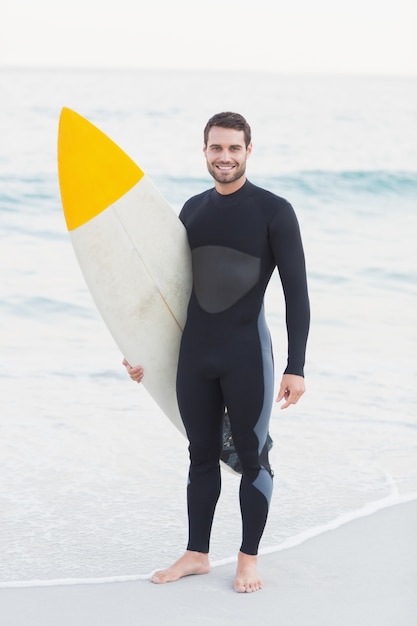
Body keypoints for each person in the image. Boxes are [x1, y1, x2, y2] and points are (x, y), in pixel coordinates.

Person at [124, 112, 310, 593]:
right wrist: (141, 352)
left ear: (249, 151)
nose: (224, 157)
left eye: (233, 148)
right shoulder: (191, 210)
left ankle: (248, 559)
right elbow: (165, 292)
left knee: (253, 457)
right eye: (215, 148)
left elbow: (297, 295)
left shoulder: (274, 211)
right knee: (200, 456)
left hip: (247, 352)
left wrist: (296, 367)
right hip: (196, 355)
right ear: (204, 151)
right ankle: (197, 554)